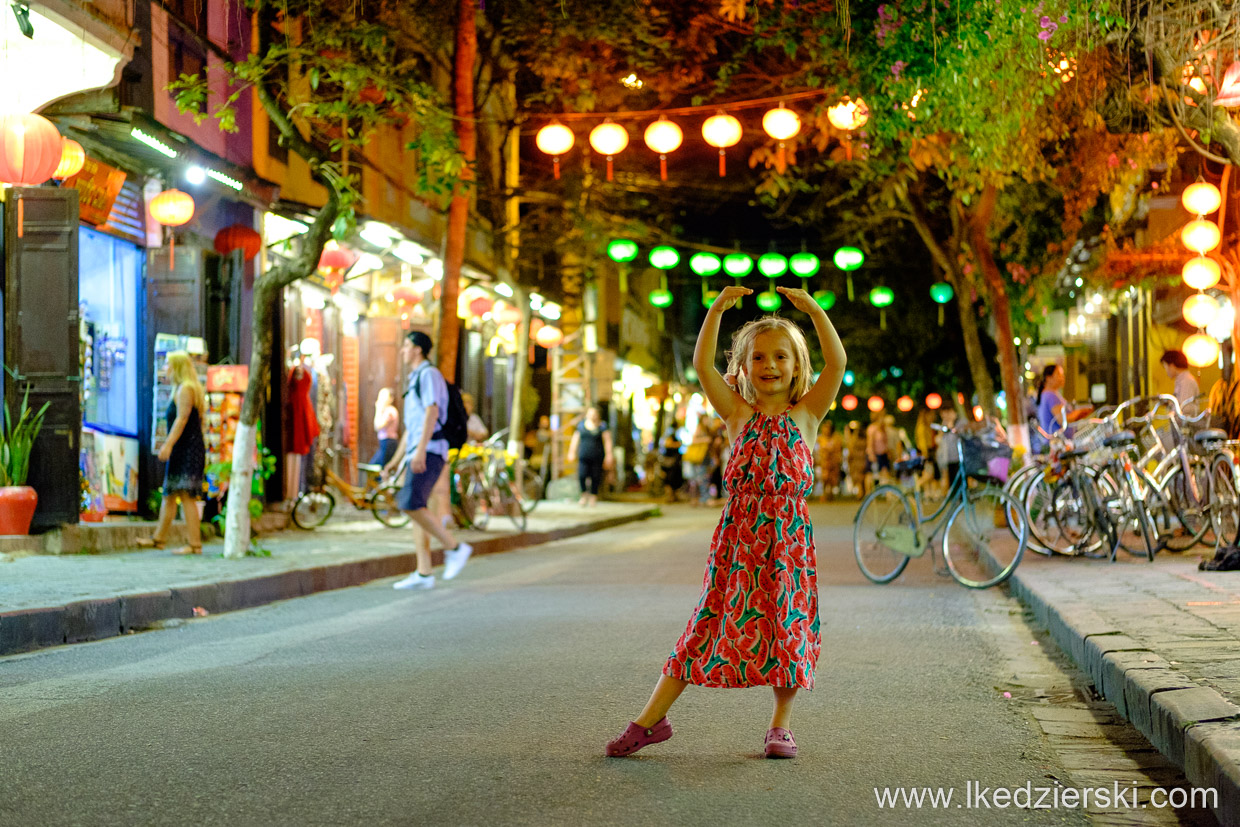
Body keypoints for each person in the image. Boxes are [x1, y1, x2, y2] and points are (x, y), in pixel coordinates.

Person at [605, 284, 845, 760]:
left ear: (798, 366)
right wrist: (715, 309)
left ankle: (781, 727)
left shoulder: (808, 416)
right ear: (743, 368)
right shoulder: (737, 414)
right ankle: (650, 721)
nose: (770, 365)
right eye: (758, 358)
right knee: (706, 623)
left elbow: (837, 363)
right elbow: (700, 366)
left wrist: (815, 310)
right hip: (738, 544)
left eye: (781, 357)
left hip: (789, 545)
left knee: (786, 627)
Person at [385, 331, 472, 591]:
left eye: (407, 345)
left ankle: (455, 547)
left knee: (410, 504)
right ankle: (424, 573)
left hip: (431, 449)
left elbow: (432, 411)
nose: (402, 350)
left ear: (418, 350)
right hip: (419, 449)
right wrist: (396, 460)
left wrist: (421, 451)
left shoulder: (429, 375)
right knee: (417, 510)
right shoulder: (415, 379)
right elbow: (413, 427)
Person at [138, 351, 207, 555]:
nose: (165, 369)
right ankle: (159, 539)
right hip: (183, 449)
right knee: (169, 495)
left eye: (168, 365)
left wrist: (167, 445)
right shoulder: (181, 388)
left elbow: (182, 420)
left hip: (187, 449)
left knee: (187, 495)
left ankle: (195, 545)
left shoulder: (186, 389)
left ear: (177, 367)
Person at [566, 405, 613, 507]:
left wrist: (609, 455)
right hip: (584, 455)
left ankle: (593, 496)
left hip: (597, 456)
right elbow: (575, 439)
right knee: (582, 475)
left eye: (594, 414)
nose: (592, 416)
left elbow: (607, 441)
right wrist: (572, 451)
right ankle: (583, 495)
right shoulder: (581, 426)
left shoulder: (602, 426)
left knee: (595, 476)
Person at [1035, 364, 1092, 442]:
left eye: (1063, 374)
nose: (1062, 377)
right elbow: (1062, 420)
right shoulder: (1050, 395)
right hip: (1058, 443)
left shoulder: (1049, 394)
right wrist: (1079, 412)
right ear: (1048, 378)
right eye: (1059, 374)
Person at [1160, 349, 1200, 416]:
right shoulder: (1181, 380)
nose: (1166, 371)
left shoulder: (1186, 381)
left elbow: (1185, 408)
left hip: (1186, 425)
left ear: (1172, 366)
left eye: (1165, 367)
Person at [685, 418, 715, 506]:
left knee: (704, 478)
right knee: (702, 479)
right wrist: (705, 439)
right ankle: (703, 498)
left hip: (706, 458)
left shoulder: (708, 429)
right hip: (700, 459)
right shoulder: (700, 428)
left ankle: (702, 498)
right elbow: (693, 440)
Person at [369, 387, 399, 468]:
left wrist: (378, 409)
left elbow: (378, 426)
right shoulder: (385, 411)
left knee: (382, 468)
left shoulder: (390, 412)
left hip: (389, 442)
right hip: (384, 442)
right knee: (374, 466)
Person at [815, 420, 844, 501]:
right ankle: (824, 493)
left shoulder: (836, 437)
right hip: (824, 462)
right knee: (824, 478)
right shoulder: (820, 438)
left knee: (832, 478)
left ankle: (831, 493)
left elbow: (838, 449)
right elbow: (818, 450)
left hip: (833, 461)